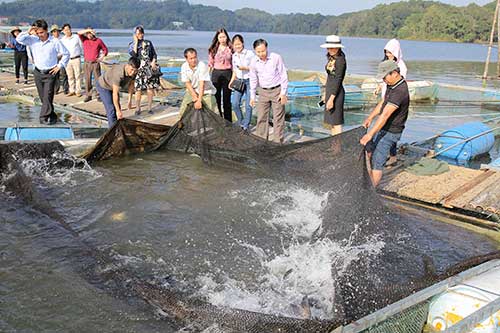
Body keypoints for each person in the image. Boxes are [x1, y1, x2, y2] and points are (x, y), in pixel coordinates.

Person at [360, 60, 409, 187]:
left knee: (377, 161)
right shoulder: (391, 84)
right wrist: (370, 118)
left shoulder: (400, 91)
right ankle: (368, 183)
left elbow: (386, 114)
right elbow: (383, 102)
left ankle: (370, 192)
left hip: (391, 131)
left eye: (385, 76)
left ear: (394, 73)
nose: (384, 80)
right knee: (369, 152)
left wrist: (369, 134)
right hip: (383, 128)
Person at [16, 19, 69, 125]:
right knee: (43, 98)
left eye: (42, 32)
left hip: (51, 73)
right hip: (38, 72)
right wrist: (29, 31)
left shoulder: (55, 41)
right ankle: (52, 115)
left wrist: (59, 66)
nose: (40, 35)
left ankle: (43, 117)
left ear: (46, 31)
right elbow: (19, 39)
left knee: (48, 95)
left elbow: (66, 53)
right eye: (38, 32)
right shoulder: (33, 39)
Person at [375, 38, 408, 166]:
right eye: (386, 52)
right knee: (384, 125)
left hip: (395, 99)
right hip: (386, 96)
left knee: (392, 127)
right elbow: (384, 79)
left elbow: (399, 84)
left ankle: (392, 156)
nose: (388, 55)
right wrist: (379, 86)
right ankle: (388, 154)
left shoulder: (401, 66)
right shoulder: (386, 63)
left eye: (390, 52)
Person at [249, 39, 288, 143]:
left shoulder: (276, 58)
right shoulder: (253, 61)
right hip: (263, 91)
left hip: (277, 90)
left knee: (278, 119)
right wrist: (252, 96)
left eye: (263, 51)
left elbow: (283, 75)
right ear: (254, 51)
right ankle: (262, 143)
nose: (261, 54)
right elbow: (253, 79)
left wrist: (283, 93)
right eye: (258, 52)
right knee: (261, 117)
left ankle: (277, 143)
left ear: (267, 48)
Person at [96, 57, 139, 128]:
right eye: (131, 70)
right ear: (127, 65)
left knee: (118, 108)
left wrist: (129, 100)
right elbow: (115, 93)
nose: (132, 73)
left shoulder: (134, 72)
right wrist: (118, 111)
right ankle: (113, 132)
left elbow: (131, 86)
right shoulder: (119, 74)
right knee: (112, 109)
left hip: (112, 85)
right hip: (103, 85)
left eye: (135, 71)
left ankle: (117, 126)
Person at [128, 25, 160, 115]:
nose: (140, 35)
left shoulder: (148, 43)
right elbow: (133, 56)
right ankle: (138, 108)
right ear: (135, 35)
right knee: (138, 89)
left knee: (150, 88)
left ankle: (149, 107)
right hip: (139, 69)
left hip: (149, 68)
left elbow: (154, 54)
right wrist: (136, 42)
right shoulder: (131, 45)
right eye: (138, 34)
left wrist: (153, 61)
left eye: (141, 33)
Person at [320, 35, 346, 136]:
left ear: (338, 47)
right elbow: (330, 77)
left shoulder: (340, 60)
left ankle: (337, 148)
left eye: (332, 47)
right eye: (328, 47)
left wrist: (331, 98)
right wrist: (325, 93)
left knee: (336, 122)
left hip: (336, 93)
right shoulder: (332, 58)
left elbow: (338, 80)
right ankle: (334, 146)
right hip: (330, 91)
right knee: (332, 122)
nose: (329, 49)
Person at [179, 48, 217, 116]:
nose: (194, 60)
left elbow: (201, 84)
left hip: (206, 91)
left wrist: (199, 100)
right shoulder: (184, 66)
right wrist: (194, 96)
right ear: (186, 59)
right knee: (183, 112)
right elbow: (187, 83)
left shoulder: (202, 65)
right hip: (192, 90)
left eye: (195, 57)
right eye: (191, 58)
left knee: (212, 112)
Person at [228, 34, 254, 131]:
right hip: (239, 81)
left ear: (242, 43)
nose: (237, 46)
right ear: (233, 45)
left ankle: (246, 126)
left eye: (239, 44)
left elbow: (256, 67)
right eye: (235, 45)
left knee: (248, 105)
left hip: (249, 81)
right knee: (234, 103)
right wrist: (231, 81)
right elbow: (235, 70)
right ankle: (241, 122)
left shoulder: (249, 54)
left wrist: (245, 68)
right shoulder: (234, 55)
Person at [208, 28, 233, 121]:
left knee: (227, 99)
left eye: (224, 37)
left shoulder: (231, 48)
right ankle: (218, 119)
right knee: (216, 97)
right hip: (216, 74)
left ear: (227, 37)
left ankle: (228, 121)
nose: (222, 39)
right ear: (217, 38)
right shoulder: (213, 49)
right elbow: (210, 63)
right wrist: (207, 75)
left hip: (228, 73)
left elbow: (234, 63)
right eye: (220, 37)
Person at [78, 27, 108, 102]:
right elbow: (79, 33)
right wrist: (88, 30)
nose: (89, 35)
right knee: (87, 80)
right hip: (87, 63)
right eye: (88, 33)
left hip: (95, 63)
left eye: (90, 33)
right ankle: (88, 95)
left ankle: (99, 95)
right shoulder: (84, 39)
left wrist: (102, 57)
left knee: (98, 80)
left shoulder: (98, 41)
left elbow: (105, 49)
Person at [61, 23, 83, 97]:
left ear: (71, 29)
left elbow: (81, 46)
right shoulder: (62, 40)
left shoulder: (76, 37)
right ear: (63, 31)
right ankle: (72, 90)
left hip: (76, 58)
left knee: (78, 75)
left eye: (68, 29)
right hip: (67, 60)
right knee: (70, 76)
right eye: (65, 30)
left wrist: (82, 55)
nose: (67, 31)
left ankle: (78, 91)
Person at [50, 25, 69, 95]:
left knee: (64, 74)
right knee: (55, 75)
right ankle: (56, 89)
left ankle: (65, 89)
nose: (56, 33)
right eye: (54, 31)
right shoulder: (50, 40)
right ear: (52, 33)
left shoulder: (62, 39)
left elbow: (66, 50)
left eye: (57, 31)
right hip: (54, 59)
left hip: (62, 58)